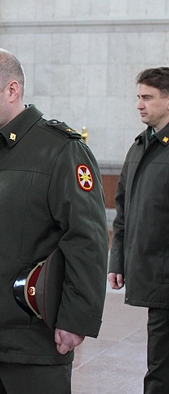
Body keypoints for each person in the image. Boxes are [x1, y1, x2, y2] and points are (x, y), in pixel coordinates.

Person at [0, 48, 108, 393]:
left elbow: (86, 239)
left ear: (12, 90)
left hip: (30, 340)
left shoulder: (59, 149)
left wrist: (76, 319)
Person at [108, 67, 169, 394]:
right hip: (153, 273)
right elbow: (123, 211)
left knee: (160, 368)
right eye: (138, 97)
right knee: (159, 361)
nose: (139, 105)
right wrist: (118, 261)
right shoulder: (140, 146)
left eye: (147, 97)